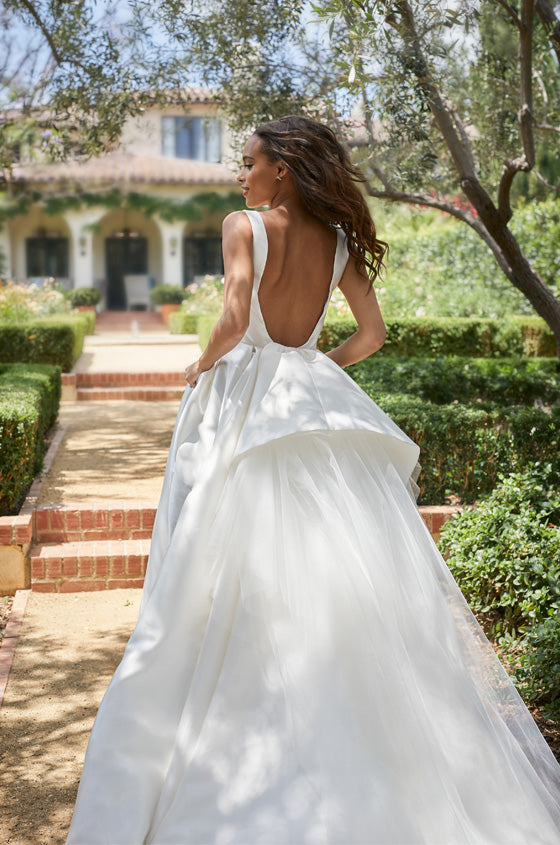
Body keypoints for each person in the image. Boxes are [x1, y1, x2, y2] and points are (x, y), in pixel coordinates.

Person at [67, 116, 560, 845]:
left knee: (218, 569)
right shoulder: (334, 245)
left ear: (282, 171)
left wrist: (202, 363)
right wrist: (314, 371)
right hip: (307, 398)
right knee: (331, 574)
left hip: (245, 401)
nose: (241, 176)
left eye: (250, 162)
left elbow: (236, 316)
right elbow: (373, 333)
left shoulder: (244, 225)